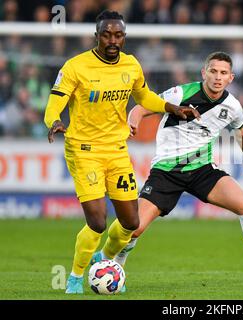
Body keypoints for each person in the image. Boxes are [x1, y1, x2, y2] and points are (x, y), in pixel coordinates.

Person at [92, 51, 243, 288]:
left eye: (223, 73)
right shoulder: (180, 93)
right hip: (167, 171)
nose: (218, 77)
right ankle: (116, 263)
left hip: (202, 170)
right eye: (214, 71)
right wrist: (133, 120)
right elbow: (143, 107)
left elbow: (242, 132)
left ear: (231, 78)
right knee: (134, 229)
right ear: (204, 73)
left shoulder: (232, 106)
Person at [43, 10, 199, 294]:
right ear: (97, 36)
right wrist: (53, 121)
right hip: (84, 150)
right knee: (98, 222)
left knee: (130, 221)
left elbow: (145, 96)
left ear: (124, 37)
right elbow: (55, 102)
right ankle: (76, 277)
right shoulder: (76, 66)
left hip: (116, 150)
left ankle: (103, 262)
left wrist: (172, 108)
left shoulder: (131, 65)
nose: (113, 40)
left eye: (118, 35)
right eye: (107, 35)